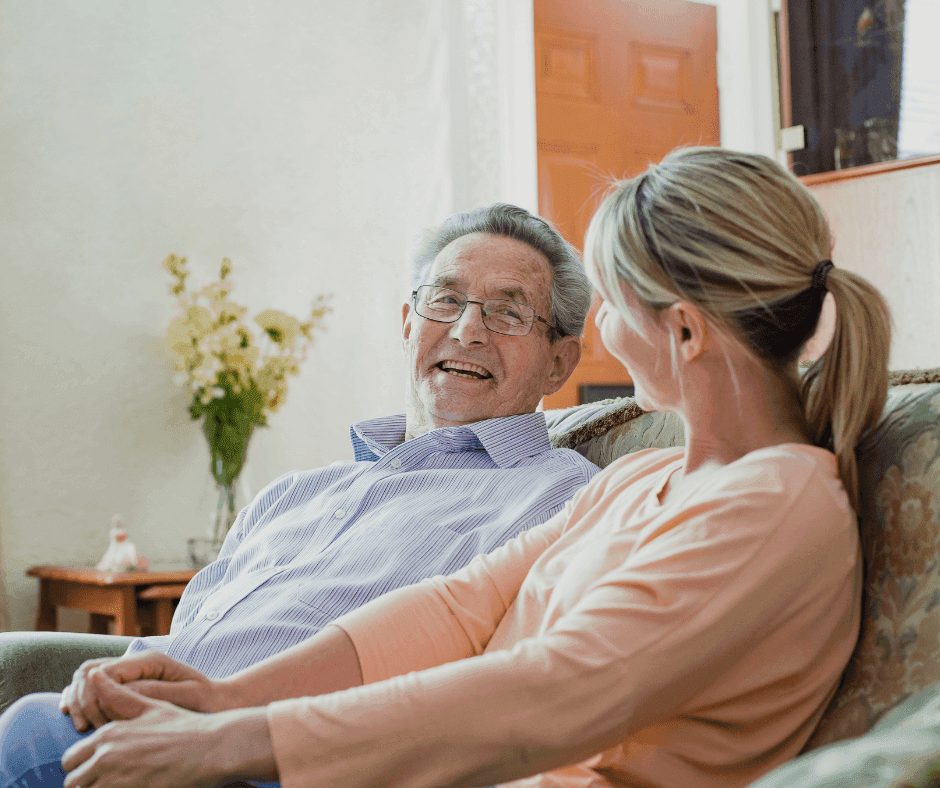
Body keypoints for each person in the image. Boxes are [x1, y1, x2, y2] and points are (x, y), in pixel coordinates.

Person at [2, 146, 892, 788]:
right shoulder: (642, 482)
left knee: (41, 744)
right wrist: (227, 699)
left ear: (686, 331)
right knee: (49, 736)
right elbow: (457, 607)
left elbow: (556, 695)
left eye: (611, 308)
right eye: (447, 302)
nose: (603, 341)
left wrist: (230, 742)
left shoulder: (776, 506)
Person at [0, 203, 598, 784]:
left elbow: (494, 686)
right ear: (408, 322)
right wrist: (122, 680)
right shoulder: (294, 494)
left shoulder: (561, 496)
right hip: (157, 734)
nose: (467, 330)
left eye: (507, 313)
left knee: (27, 733)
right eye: (445, 299)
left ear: (558, 362)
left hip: (291, 759)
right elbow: (192, 642)